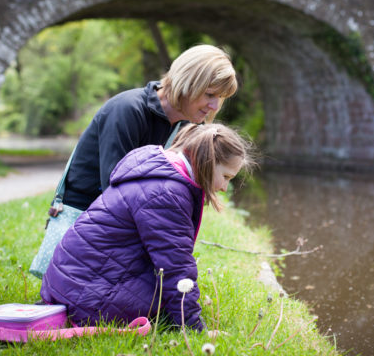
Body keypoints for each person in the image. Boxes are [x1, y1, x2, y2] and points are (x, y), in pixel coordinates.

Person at [40, 123, 254, 331]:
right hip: (85, 303)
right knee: (171, 279)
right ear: (207, 161)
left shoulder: (160, 170)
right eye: (225, 176)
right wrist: (193, 327)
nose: (225, 187)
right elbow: (175, 267)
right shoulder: (166, 193)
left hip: (68, 286)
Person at [62, 44, 238, 212]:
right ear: (187, 81)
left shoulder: (189, 126)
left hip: (131, 217)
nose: (215, 106)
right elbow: (115, 190)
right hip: (85, 216)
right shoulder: (128, 110)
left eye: (220, 97)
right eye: (209, 94)